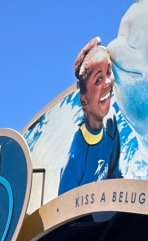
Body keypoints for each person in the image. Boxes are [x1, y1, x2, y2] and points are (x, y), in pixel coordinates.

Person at [59, 37, 122, 195]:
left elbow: (115, 176)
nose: (107, 82)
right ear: (84, 101)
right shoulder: (76, 156)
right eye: (98, 79)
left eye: (108, 72)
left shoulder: (111, 122)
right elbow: (62, 212)